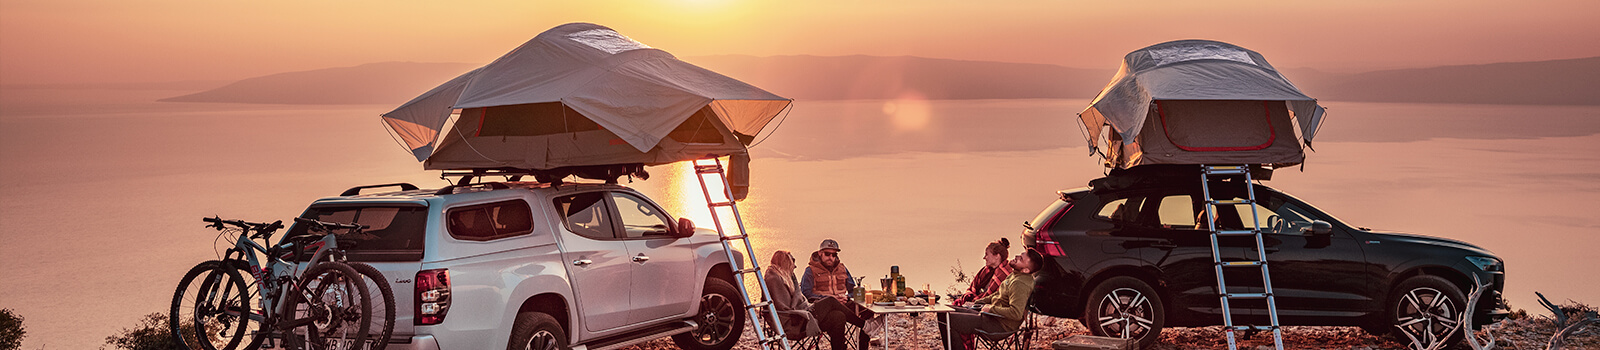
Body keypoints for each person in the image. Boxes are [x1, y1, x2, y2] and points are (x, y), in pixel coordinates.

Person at [939, 248, 1043, 350]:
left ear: (1026, 270)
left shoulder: (1020, 284)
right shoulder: (1015, 275)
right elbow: (998, 294)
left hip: (999, 325)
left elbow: (1016, 313)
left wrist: (991, 309)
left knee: (947, 319)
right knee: (943, 312)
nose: (1016, 257)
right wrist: (979, 301)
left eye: (1020, 259)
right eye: (1020, 255)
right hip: (991, 317)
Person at [765, 250, 870, 350]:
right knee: (831, 301)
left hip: (801, 315)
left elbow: (796, 301)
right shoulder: (774, 279)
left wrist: (846, 297)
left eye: (834, 255)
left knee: (838, 316)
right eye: (793, 262)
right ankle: (865, 326)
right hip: (796, 321)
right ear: (785, 263)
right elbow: (785, 307)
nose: (795, 266)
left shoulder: (784, 278)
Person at [939, 238, 1013, 349]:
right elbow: (972, 289)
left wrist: (974, 303)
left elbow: (994, 299)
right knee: (942, 313)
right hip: (976, 307)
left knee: (948, 319)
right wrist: (970, 299)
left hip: (990, 316)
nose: (984, 257)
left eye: (987, 254)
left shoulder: (1005, 275)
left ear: (997, 256)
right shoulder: (986, 271)